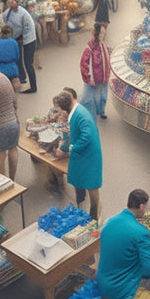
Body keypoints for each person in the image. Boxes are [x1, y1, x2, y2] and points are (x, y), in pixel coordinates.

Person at [54, 91, 103, 219]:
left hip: (89, 155)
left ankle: (94, 216)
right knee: (80, 179)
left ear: (66, 109)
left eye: (59, 111)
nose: (58, 114)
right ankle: (80, 205)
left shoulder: (81, 115)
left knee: (92, 185)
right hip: (82, 154)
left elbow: (87, 135)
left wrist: (73, 148)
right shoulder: (76, 111)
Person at [3, 0, 38, 93]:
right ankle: (22, 77)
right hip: (22, 38)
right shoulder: (8, 13)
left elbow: (18, 28)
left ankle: (33, 87)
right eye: (10, 2)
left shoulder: (21, 12)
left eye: (14, 1)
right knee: (18, 58)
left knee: (28, 63)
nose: (13, 3)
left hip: (29, 39)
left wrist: (10, 38)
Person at [80, 23, 111, 120]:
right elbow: (84, 64)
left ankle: (100, 111)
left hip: (103, 77)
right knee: (87, 97)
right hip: (92, 78)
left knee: (102, 96)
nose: (103, 35)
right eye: (102, 33)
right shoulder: (89, 48)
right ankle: (82, 113)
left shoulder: (102, 45)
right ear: (96, 33)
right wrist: (88, 78)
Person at [0, 24, 21, 89]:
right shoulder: (14, 42)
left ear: (1, 32)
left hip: (0, 70)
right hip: (13, 69)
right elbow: (17, 57)